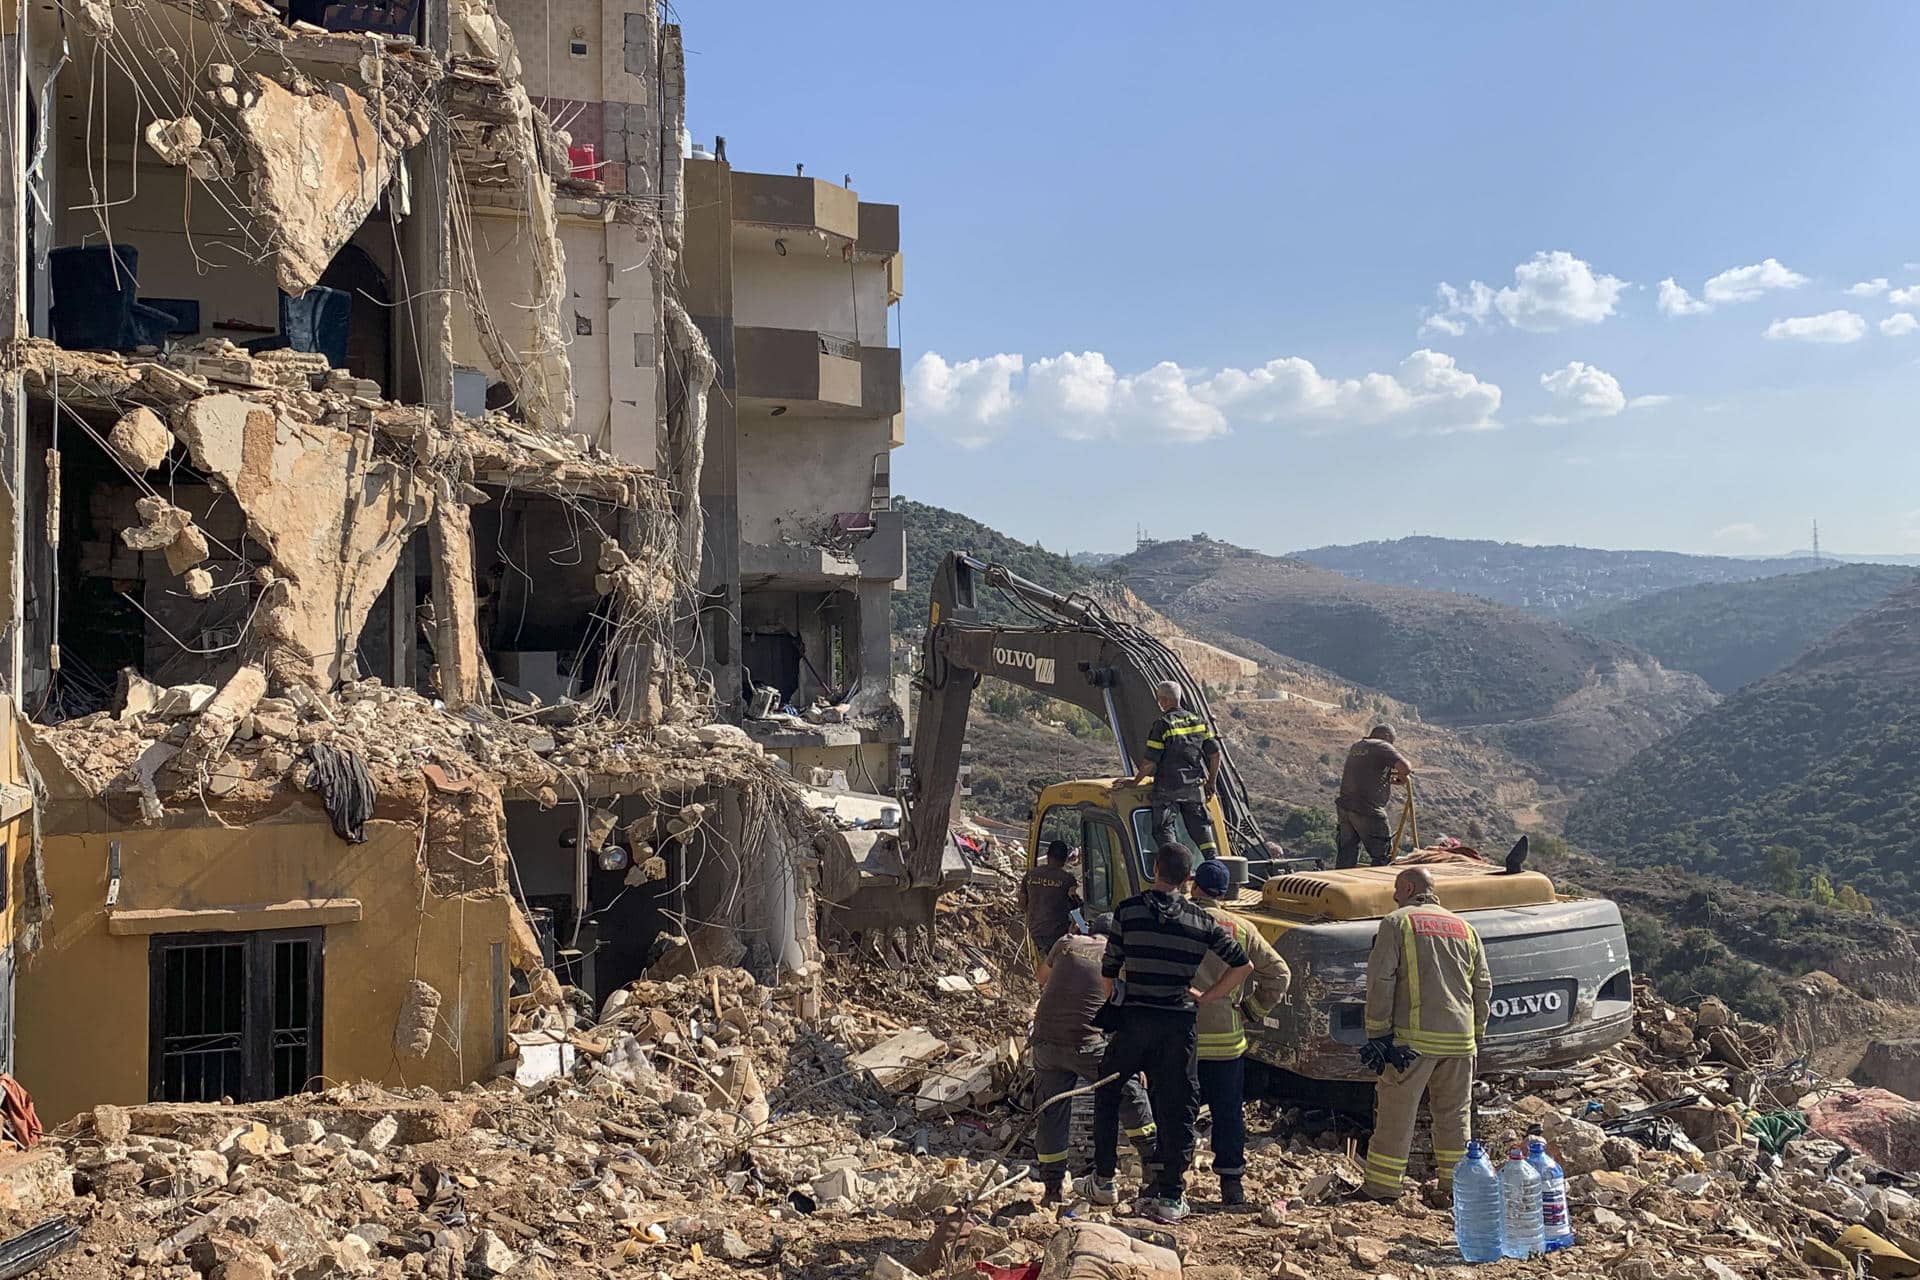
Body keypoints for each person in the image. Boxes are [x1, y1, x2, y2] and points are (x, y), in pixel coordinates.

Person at [1090, 843, 1252, 1224]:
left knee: (1108, 1089)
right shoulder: (1201, 922)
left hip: (1135, 1021)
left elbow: (1109, 971)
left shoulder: (1127, 911)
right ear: (1188, 878)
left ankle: (1104, 1179)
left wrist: (1116, 999)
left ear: (1156, 868)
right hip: (1178, 1027)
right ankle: (1171, 1194)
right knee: (1178, 1105)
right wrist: (1206, 997)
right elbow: (1242, 965)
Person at [1360, 867, 1491, 1202]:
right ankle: (1456, 1188)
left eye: (1395, 890)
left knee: (1396, 1114)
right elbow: (1482, 987)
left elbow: (1381, 981)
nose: (1393, 896)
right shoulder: (1466, 929)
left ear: (1407, 887)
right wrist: (1476, 1036)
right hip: (1461, 1042)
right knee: (1454, 1117)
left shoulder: (1397, 922)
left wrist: (1378, 1033)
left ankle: (1382, 1189)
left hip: (1413, 1042)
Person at [1030, 919, 1158, 1204]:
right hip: (1086, 1044)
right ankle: (1153, 1167)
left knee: (1051, 1112)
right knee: (1129, 1092)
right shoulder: (1119, 958)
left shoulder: (1065, 943)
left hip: (1046, 1043)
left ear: (1089, 931)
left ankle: (1052, 1190)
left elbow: (1042, 977)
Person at [1188, 858, 1292, 1206]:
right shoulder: (1242, 928)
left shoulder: (1175, 919)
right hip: (1227, 1041)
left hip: (1181, 1038)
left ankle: (1167, 1185)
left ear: (1194, 886)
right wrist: (1251, 1010)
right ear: (1227, 892)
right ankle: (1231, 1187)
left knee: (1173, 1109)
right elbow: (1279, 974)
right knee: (1228, 1114)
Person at [1130, 680, 1223, 861]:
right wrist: (1211, 782)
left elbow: (1149, 763)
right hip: (1194, 787)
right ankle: (1214, 864)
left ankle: (1174, 869)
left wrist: (1134, 781)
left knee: (1163, 829)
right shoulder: (1199, 722)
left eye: (1159, 700)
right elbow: (1215, 754)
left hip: (1168, 788)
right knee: (1201, 828)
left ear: (1163, 701)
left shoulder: (1163, 724)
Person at [1335, 724, 1413, 869]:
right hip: (1368, 809)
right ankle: (1380, 888)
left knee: (1346, 855)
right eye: (1392, 741)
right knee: (1382, 856)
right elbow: (1405, 768)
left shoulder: (1357, 746)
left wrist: (1387, 778)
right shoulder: (1382, 745)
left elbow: (1365, 773)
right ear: (1387, 737)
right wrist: (1403, 773)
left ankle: (1341, 887)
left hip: (1345, 807)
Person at [1019, 840, 1081, 956]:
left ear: (1047, 856)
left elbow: (1022, 904)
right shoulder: (1067, 879)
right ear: (1064, 859)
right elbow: (1076, 909)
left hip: (1035, 934)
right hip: (1056, 936)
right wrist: (1085, 929)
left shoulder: (1030, 874)